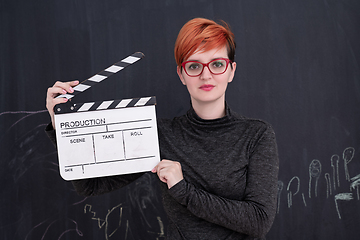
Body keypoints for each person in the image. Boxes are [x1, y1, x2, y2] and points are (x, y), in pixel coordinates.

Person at [45, 17, 279, 240]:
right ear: (181, 74)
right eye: (194, 66)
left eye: (217, 64)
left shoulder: (256, 135)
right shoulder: (159, 135)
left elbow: (259, 221)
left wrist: (183, 190)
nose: (206, 75)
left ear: (231, 71)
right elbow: (89, 185)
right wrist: (62, 127)